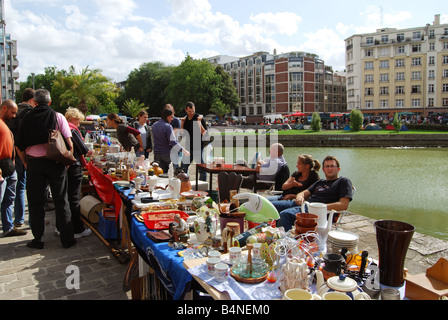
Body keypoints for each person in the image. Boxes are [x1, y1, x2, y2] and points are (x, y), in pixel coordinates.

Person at [16, 89, 76, 249]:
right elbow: (70, 143)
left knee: (35, 203)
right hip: (55, 162)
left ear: (34, 102)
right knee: (61, 201)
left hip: (34, 164)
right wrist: (67, 161)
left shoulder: (26, 118)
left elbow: (18, 145)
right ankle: (67, 239)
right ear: (50, 102)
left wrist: (26, 163)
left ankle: (38, 239)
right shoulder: (58, 116)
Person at [273, 156, 354, 231]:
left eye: (332, 166)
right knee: (272, 206)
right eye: (327, 166)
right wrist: (299, 196)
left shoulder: (343, 181)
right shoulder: (320, 182)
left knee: (285, 214)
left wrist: (318, 207)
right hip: (303, 205)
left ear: (338, 169)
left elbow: (343, 205)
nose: (329, 168)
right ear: (323, 169)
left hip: (319, 212)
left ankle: (287, 241)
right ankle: (271, 233)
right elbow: (304, 192)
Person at [7, 89, 36, 228]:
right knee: (28, 187)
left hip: (12, 153)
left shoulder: (14, 111)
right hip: (25, 154)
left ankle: (18, 219)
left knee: (18, 187)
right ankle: (31, 221)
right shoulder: (30, 113)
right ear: (31, 100)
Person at [65, 107, 93, 239]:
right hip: (74, 166)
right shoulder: (72, 129)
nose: (79, 123)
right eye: (78, 120)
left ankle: (62, 227)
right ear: (73, 119)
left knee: (65, 198)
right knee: (74, 198)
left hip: (63, 167)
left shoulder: (62, 128)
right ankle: (78, 228)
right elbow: (83, 150)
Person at [0, 100, 27, 237]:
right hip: (2, 168)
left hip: (9, 167)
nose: (14, 116)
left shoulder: (6, 124)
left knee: (9, 199)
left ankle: (8, 227)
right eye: (12, 112)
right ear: (4, 108)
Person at [152, 107, 190, 174]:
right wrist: (183, 150)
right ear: (168, 116)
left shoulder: (154, 125)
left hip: (157, 153)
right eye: (171, 117)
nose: (172, 119)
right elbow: (173, 141)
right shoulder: (168, 126)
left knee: (159, 173)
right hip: (167, 154)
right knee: (172, 173)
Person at [180, 102, 208, 180]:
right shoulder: (185, 119)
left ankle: (202, 186)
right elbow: (182, 133)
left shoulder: (199, 118)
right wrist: (182, 123)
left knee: (201, 169)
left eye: (193, 111)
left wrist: (199, 123)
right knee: (183, 167)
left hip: (198, 147)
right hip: (188, 147)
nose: (191, 113)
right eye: (189, 111)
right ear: (186, 110)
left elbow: (205, 133)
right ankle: (184, 184)